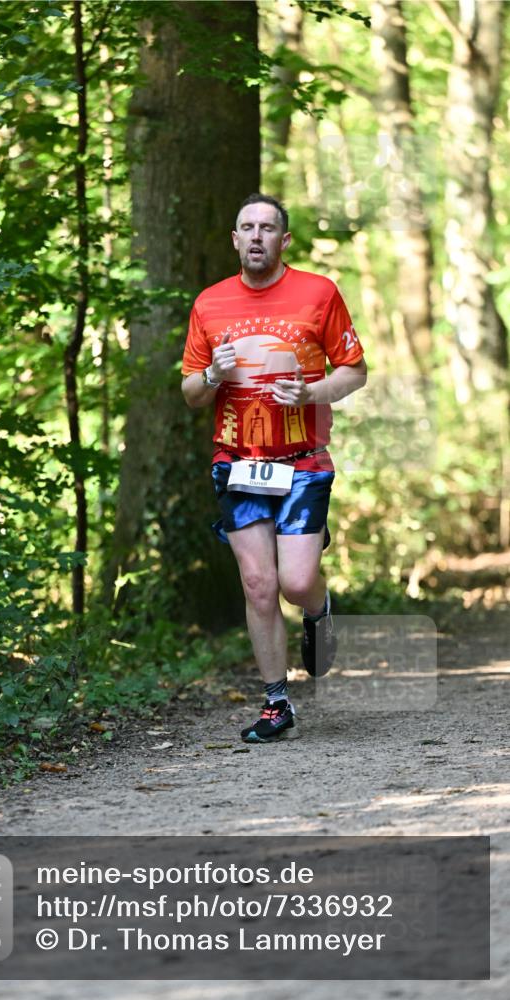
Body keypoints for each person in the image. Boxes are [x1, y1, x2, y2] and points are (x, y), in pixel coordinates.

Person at [181, 193, 367, 743]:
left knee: (295, 581)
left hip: (302, 459)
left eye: (268, 228)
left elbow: (354, 372)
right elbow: (191, 393)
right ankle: (276, 704)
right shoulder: (209, 304)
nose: (257, 236)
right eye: (247, 227)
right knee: (259, 584)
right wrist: (213, 374)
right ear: (235, 239)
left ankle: (319, 607)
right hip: (237, 462)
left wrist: (310, 390)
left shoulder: (318, 293)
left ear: (284, 240)